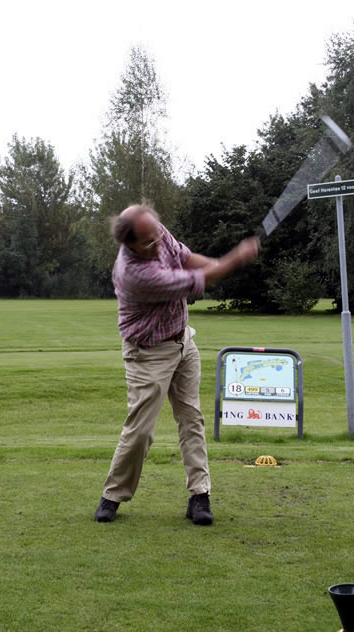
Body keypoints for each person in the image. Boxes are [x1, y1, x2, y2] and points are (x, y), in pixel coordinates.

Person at [94, 203, 260, 525]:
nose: (157, 242)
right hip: (148, 354)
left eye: (157, 233)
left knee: (191, 418)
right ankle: (113, 494)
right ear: (129, 244)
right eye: (148, 242)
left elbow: (186, 257)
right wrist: (233, 260)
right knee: (140, 431)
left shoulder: (153, 231)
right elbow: (193, 279)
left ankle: (200, 495)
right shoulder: (135, 273)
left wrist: (218, 263)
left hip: (183, 340)